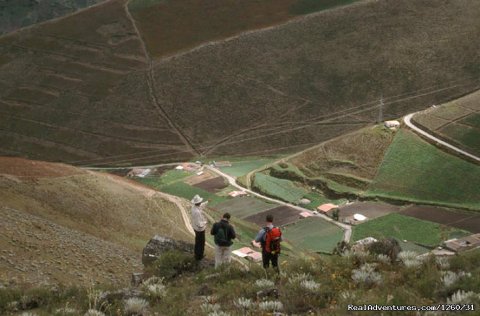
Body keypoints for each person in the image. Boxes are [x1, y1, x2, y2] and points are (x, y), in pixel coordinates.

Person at [191, 194, 208, 261]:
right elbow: (199, 223)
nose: (201, 202)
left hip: (196, 228)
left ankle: (196, 254)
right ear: (198, 203)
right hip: (200, 229)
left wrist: (207, 202)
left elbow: (201, 206)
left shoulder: (194, 207)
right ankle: (199, 256)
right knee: (201, 242)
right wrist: (205, 223)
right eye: (200, 201)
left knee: (197, 242)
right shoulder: (197, 212)